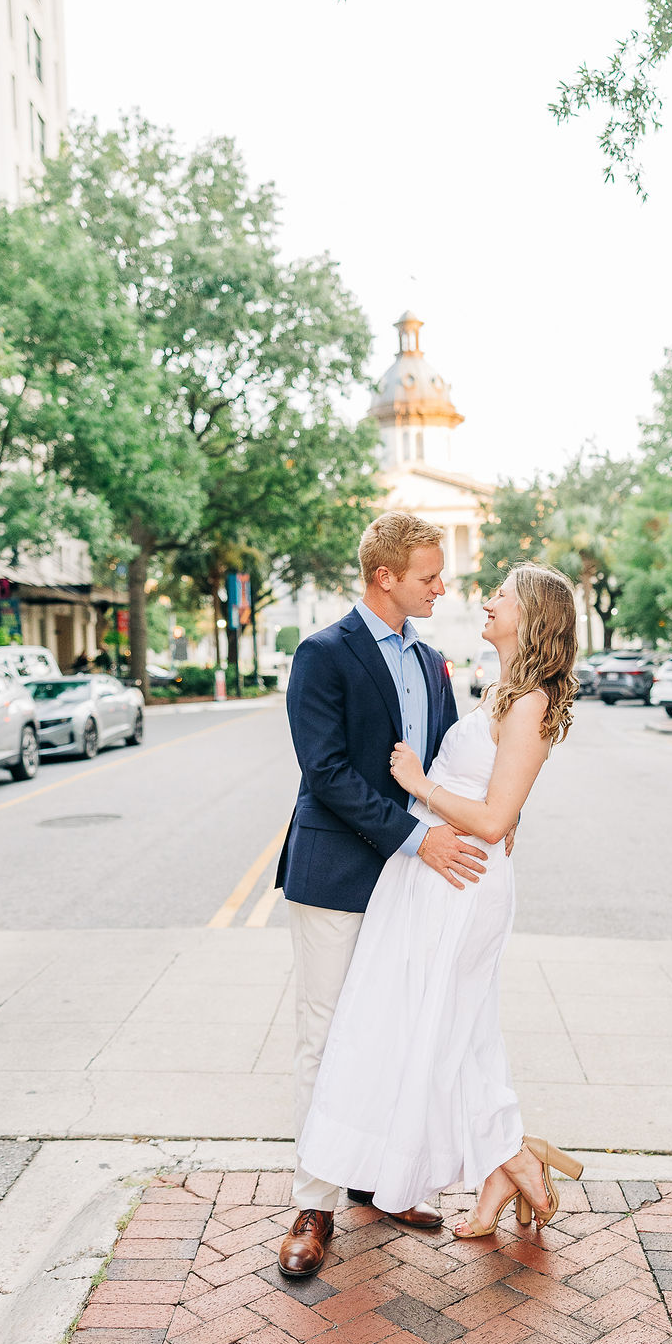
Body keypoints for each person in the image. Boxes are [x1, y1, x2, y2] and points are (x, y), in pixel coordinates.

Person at [298, 561, 584, 1245]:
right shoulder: (501, 690)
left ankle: (510, 1154)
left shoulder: (531, 701)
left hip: (463, 884)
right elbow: (496, 796)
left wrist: (419, 785)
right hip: (434, 880)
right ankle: (507, 1160)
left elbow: (490, 819)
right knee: (456, 1034)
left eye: (502, 597)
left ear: (533, 617)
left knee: (444, 1033)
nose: (485, 601)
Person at [275, 512, 494, 1278]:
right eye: (430, 576)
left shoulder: (434, 663)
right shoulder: (323, 654)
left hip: (412, 884)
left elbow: (440, 769)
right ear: (385, 578)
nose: (443, 585)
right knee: (326, 1038)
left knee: (396, 1033)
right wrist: (418, 838)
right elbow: (326, 772)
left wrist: (489, 816)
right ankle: (314, 1204)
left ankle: (381, 1179)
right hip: (337, 875)